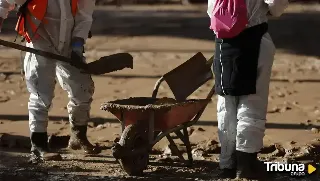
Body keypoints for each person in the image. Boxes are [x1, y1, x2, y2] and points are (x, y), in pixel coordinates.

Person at [0, 0, 99, 163]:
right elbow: (5, 2)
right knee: (41, 94)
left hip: (69, 44)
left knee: (83, 88)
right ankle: (38, 145)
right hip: (40, 41)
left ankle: (78, 138)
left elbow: (84, 15)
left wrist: (77, 42)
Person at [207, 0, 289, 179]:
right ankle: (246, 162)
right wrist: (267, 12)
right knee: (252, 102)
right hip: (254, 39)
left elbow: (212, 10)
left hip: (223, 43)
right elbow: (276, 5)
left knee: (226, 102)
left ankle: (227, 164)